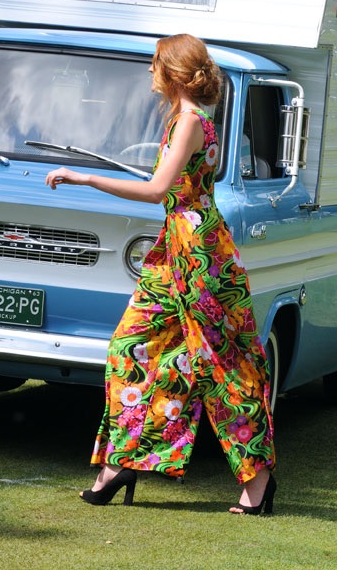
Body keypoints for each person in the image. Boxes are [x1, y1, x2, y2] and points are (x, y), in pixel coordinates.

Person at [45, 33, 277, 515]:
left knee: (224, 364)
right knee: (129, 350)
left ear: (171, 72)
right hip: (176, 250)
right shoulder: (185, 119)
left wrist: (84, 176)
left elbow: (157, 190)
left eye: (155, 64)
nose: (150, 72)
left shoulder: (190, 121)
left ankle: (258, 480)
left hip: (198, 255)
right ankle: (123, 461)